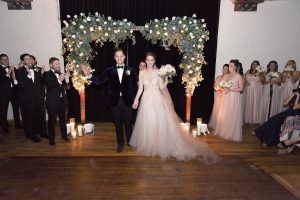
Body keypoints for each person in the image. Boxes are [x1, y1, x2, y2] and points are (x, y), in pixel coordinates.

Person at [129, 52, 220, 162]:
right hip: (146, 100)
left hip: (157, 99)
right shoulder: (142, 72)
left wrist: (166, 79)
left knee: (157, 122)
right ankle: (149, 144)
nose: (149, 62)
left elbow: (161, 87)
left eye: (151, 60)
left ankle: (157, 144)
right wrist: (136, 100)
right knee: (148, 121)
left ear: (154, 61)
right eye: (148, 60)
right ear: (145, 60)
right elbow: (140, 89)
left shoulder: (158, 72)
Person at [82, 48, 138, 153]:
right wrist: (88, 75)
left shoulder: (131, 70)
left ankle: (130, 141)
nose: (119, 58)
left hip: (128, 101)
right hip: (114, 101)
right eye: (117, 56)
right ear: (114, 58)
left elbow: (134, 87)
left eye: (121, 56)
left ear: (124, 57)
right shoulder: (109, 70)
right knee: (118, 124)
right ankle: (120, 143)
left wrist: (136, 100)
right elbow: (98, 81)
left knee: (128, 123)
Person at [15, 54, 44, 142]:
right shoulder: (20, 71)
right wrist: (28, 75)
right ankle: (31, 135)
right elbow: (22, 85)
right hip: (27, 98)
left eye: (30, 58)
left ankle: (38, 132)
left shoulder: (35, 70)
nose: (29, 60)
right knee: (29, 117)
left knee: (37, 116)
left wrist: (42, 74)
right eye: (27, 59)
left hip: (37, 97)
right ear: (23, 61)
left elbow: (38, 84)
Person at [213, 60, 244, 142]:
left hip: (234, 97)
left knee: (232, 114)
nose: (230, 67)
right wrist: (223, 88)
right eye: (229, 65)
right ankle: (224, 132)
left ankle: (231, 133)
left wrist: (231, 89)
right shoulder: (226, 75)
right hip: (226, 97)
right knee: (225, 114)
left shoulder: (238, 76)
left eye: (231, 66)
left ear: (236, 67)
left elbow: (241, 88)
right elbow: (221, 85)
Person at [44, 57, 70, 145]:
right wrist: (59, 80)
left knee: (63, 120)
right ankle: (51, 139)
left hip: (62, 101)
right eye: (56, 64)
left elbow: (67, 87)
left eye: (58, 63)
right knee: (52, 121)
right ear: (51, 65)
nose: (58, 65)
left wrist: (66, 79)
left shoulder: (61, 74)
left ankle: (64, 136)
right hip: (52, 102)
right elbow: (49, 85)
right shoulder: (46, 74)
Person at [208, 64, 229, 129]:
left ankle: (222, 125)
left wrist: (221, 88)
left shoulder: (229, 78)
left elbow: (228, 88)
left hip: (225, 96)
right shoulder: (218, 77)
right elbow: (214, 86)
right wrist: (216, 88)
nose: (224, 70)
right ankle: (216, 124)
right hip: (217, 95)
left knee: (223, 111)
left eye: (226, 68)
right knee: (217, 110)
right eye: (223, 68)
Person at [0, 54, 13, 135]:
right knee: (3, 110)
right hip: (2, 93)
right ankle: (4, 126)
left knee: (5, 109)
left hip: (9, 92)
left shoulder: (9, 68)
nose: (6, 61)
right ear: (0, 60)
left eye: (7, 59)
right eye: (4, 59)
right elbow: (2, 78)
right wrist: (8, 72)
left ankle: (4, 123)